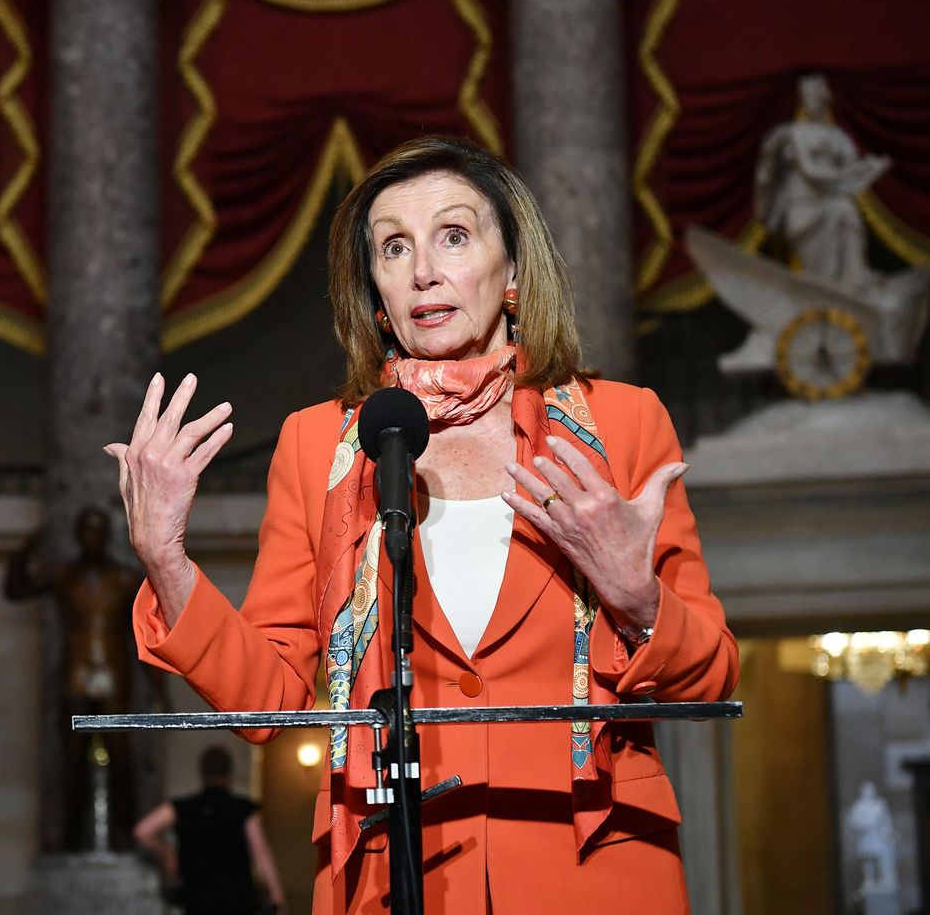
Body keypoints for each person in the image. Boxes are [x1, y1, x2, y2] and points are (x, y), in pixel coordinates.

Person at [107, 137, 738, 913]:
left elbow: (712, 675)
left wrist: (637, 598)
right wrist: (165, 558)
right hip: (388, 872)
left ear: (512, 273)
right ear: (374, 291)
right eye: (393, 248)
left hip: (596, 867)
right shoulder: (319, 447)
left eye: (454, 236)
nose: (423, 271)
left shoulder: (624, 424)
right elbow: (269, 701)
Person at [5, 505, 146, 850]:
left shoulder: (126, 578)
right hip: (76, 675)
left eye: (98, 529)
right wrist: (26, 549)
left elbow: (145, 633)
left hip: (115, 674)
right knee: (71, 760)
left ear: (107, 535)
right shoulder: (64, 575)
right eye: (87, 529)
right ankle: (70, 837)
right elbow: (15, 590)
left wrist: (158, 686)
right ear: (79, 534)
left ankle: (124, 834)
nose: (92, 536)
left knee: (122, 760)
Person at [755, 73, 890, 289]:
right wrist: (848, 174)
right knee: (820, 276)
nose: (811, 100)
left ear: (826, 97)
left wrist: (870, 168)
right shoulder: (797, 133)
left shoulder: (839, 136)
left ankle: (854, 279)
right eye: (807, 95)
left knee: (847, 211)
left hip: (831, 202)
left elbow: (852, 167)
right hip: (806, 208)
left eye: (815, 95)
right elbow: (811, 172)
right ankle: (826, 293)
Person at [134, 746, 288, 915]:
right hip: (238, 902)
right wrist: (277, 897)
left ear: (202, 773)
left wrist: (166, 852)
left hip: (198, 902)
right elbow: (261, 853)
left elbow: (142, 831)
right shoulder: (242, 808)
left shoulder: (183, 807)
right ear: (229, 773)